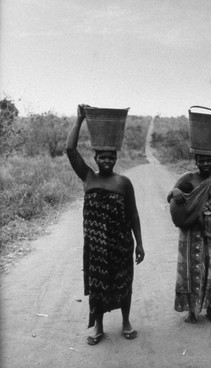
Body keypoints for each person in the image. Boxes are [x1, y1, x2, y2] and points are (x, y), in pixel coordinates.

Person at [66, 105, 145, 345]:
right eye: (103, 157)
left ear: (116, 158)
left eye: (111, 156)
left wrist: (139, 243)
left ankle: (126, 322)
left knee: (123, 283)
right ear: (96, 158)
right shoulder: (88, 177)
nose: (107, 160)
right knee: (97, 285)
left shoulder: (124, 182)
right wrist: (79, 120)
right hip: (96, 246)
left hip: (120, 243)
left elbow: (133, 214)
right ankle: (98, 326)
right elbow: (70, 149)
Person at [167, 154, 211, 324]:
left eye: (209, 160)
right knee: (191, 269)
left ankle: (210, 309)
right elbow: (171, 197)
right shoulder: (187, 178)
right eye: (202, 161)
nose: (205, 164)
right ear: (196, 162)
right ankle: (192, 310)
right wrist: (174, 191)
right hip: (191, 234)